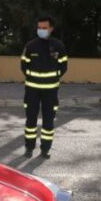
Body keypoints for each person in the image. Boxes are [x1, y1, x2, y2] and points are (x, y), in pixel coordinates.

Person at [20, 16, 68, 159]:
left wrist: (55, 75)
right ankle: (29, 148)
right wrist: (32, 76)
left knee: (48, 121)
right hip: (32, 91)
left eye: (44, 28)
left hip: (51, 91)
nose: (41, 30)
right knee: (30, 121)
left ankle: (45, 150)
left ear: (51, 29)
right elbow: (23, 65)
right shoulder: (30, 46)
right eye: (39, 27)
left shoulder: (58, 46)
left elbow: (64, 66)